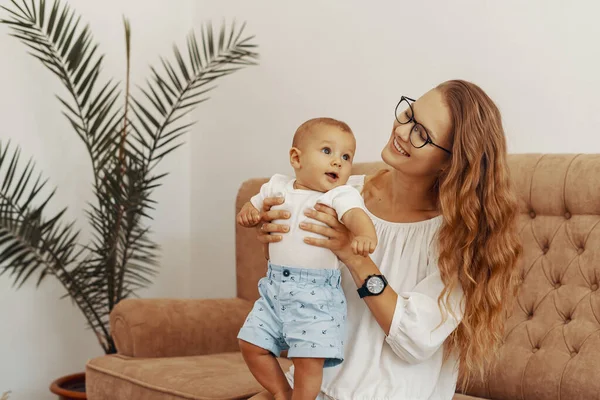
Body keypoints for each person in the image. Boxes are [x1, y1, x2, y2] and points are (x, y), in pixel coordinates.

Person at [249, 80, 522, 400]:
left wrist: (355, 257)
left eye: (422, 133)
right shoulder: (341, 193)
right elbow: (296, 287)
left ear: (450, 160)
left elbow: (415, 340)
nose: (403, 131)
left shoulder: (459, 241)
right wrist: (274, 239)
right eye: (409, 114)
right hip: (311, 388)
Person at [237, 118, 378, 400]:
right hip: (273, 289)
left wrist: (364, 234)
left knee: (308, 359)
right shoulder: (276, 186)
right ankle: (281, 391)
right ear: (296, 158)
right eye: (327, 151)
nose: (338, 162)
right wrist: (248, 214)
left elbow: (355, 215)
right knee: (250, 344)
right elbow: (251, 209)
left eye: (346, 156)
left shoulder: (340, 195)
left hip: (317, 294)